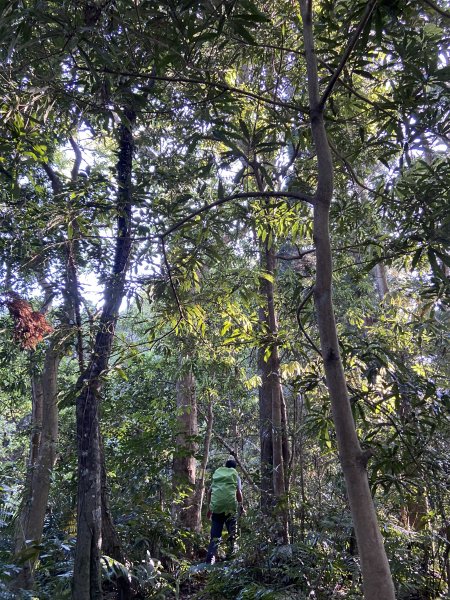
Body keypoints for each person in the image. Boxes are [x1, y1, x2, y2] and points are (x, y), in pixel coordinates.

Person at [205, 459, 245, 564]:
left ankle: (210, 560)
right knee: (232, 534)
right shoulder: (235, 476)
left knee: (215, 536)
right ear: (234, 468)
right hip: (230, 509)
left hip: (217, 509)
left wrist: (209, 509)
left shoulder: (218, 477)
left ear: (225, 467)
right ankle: (231, 559)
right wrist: (241, 507)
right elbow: (238, 493)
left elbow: (209, 492)